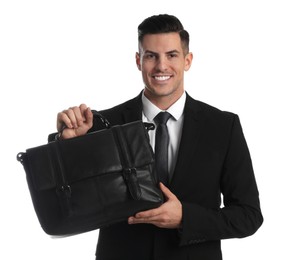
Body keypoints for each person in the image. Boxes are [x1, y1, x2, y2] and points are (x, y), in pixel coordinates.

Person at [52, 14, 263, 260]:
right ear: (138, 61)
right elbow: (71, 205)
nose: (161, 66)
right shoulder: (102, 123)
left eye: (171, 55)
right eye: (151, 56)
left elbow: (248, 216)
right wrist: (68, 145)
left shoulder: (223, 127)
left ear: (188, 60)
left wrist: (186, 218)